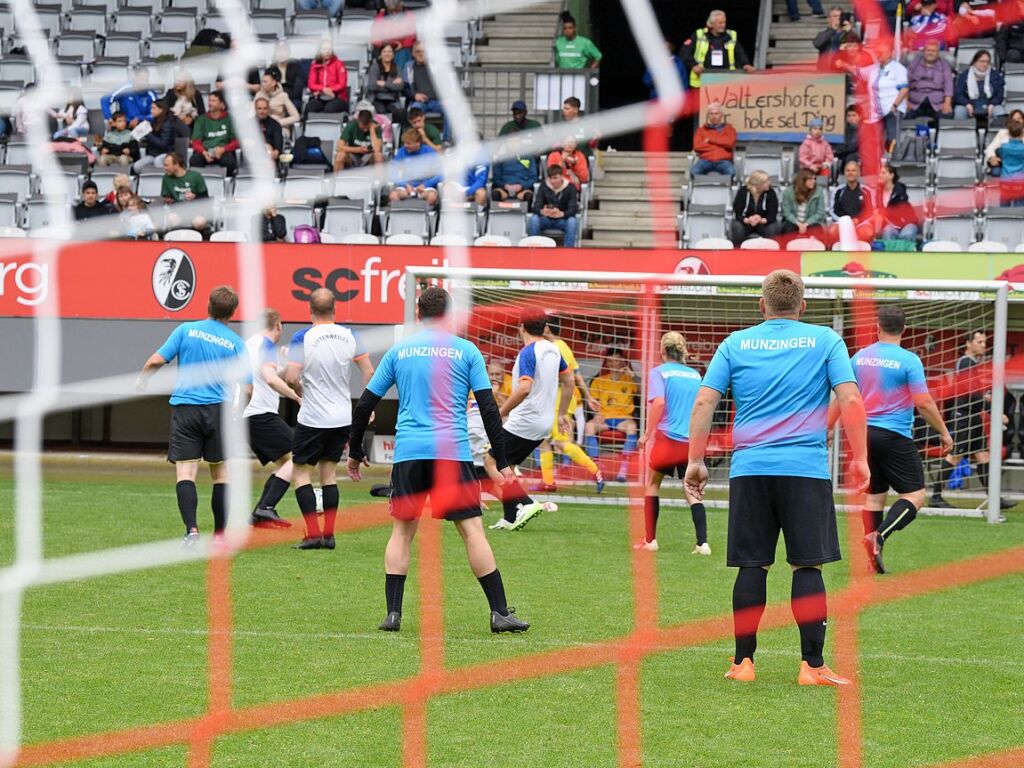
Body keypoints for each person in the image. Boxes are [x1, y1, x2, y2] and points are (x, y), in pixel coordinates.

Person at [684, 269, 867, 686]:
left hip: (750, 470)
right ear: (803, 307)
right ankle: (813, 667)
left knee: (752, 565)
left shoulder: (735, 343)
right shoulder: (826, 340)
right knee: (808, 567)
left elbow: (703, 402)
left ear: (761, 305)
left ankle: (743, 663)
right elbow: (851, 398)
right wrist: (860, 458)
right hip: (805, 469)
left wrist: (696, 460)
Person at [346, 286, 529, 634]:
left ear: (419, 314)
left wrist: (355, 452)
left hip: (410, 454)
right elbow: (489, 409)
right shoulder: (466, 351)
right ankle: (499, 613)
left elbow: (366, 403)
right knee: (472, 531)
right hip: (452, 454)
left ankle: (394, 615)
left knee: (402, 532)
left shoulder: (400, 351)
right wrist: (503, 459)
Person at [828, 306, 952, 574]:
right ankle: (879, 536)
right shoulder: (909, 360)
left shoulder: (860, 357)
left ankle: (871, 557)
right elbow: (924, 403)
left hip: (863, 436)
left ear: (877, 326)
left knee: (874, 496)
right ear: (904, 329)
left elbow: (842, 395)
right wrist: (944, 431)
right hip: (894, 435)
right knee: (915, 495)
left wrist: (827, 428)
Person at [136, 286, 251, 547]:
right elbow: (247, 388)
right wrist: (237, 412)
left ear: (208, 306)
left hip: (186, 408)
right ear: (232, 313)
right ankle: (220, 537)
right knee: (221, 474)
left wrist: (143, 380)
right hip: (218, 411)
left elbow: (156, 360)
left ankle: (192, 531)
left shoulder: (186, 330)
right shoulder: (236, 344)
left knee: (186, 472)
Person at [284, 289, 374, 550]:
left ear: (309, 310)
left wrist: (299, 388)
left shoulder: (303, 337)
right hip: (341, 417)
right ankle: (330, 535)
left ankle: (313, 534)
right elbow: (369, 371)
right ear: (335, 310)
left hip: (312, 417)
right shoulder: (350, 336)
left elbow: (290, 377)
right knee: (329, 474)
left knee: (301, 474)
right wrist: (367, 405)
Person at [484, 310, 572, 531]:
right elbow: (569, 381)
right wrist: (562, 413)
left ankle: (526, 502)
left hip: (525, 421)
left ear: (521, 326)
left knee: (490, 461)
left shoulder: (528, 352)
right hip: (544, 422)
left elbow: (524, 387)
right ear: (544, 328)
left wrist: (500, 412)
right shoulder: (554, 349)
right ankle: (510, 516)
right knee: (508, 466)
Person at [635, 332, 709, 554]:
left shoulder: (659, 373)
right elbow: (702, 407)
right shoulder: (696, 375)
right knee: (691, 490)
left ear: (662, 351)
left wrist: (647, 434)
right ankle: (702, 543)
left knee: (652, 484)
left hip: (667, 438)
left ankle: (651, 540)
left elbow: (658, 403)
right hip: (691, 441)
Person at [935, 331, 1017, 511]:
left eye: (984, 342)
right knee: (955, 456)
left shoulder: (972, 364)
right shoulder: (965, 363)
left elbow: (975, 394)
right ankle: (935, 497)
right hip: (964, 417)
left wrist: (986, 402)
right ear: (968, 343)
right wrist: (993, 411)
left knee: (983, 456)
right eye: (979, 342)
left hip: (974, 417)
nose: (983, 345)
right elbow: (971, 395)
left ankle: (994, 498)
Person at [534, 316, 604, 494]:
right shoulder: (558, 346)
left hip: (561, 399)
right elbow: (577, 372)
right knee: (543, 440)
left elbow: (569, 378)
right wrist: (588, 396)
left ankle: (595, 471)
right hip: (553, 399)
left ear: (548, 328)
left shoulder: (558, 348)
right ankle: (548, 481)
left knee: (560, 442)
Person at [243, 308, 299, 528]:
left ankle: (259, 514)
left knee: (286, 461)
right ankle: (265, 508)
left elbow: (273, 375)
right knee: (299, 455)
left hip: (250, 415)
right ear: (278, 326)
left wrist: (287, 364)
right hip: (260, 414)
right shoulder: (266, 345)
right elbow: (271, 380)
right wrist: (296, 397)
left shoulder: (249, 344)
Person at [585, 349, 639, 483]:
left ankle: (623, 469)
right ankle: (596, 468)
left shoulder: (630, 379)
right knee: (589, 427)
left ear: (622, 361)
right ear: (607, 362)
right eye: (610, 360)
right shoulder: (598, 380)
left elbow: (645, 393)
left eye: (616, 360)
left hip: (624, 419)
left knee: (632, 428)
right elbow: (592, 403)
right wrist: (596, 414)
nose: (613, 363)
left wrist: (634, 377)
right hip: (604, 418)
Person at [681, 10, 754, 90]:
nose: (723, 25)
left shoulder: (731, 35)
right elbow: (684, 52)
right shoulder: (699, 35)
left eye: (724, 22)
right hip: (703, 79)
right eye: (720, 23)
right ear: (711, 24)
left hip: (726, 79)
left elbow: (740, 53)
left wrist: (746, 64)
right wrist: (693, 65)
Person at [865, 42, 908, 148]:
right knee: (875, 139)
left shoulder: (898, 68)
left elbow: (904, 89)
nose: (878, 54)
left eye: (881, 52)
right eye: (877, 52)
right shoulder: (875, 69)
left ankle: (892, 161)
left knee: (892, 139)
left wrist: (894, 106)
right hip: (877, 110)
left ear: (889, 53)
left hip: (892, 109)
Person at [527, 164, 579, 247]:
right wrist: (542, 211)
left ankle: (568, 251)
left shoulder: (570, 188)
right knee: (534, 219)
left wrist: (562, 213)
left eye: (555, 178)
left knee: (572, 222)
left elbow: (573, 208)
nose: (552, 181)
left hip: (562, 220)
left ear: (562, 176)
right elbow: (536, 206)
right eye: (550, 178)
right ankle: (533, 249)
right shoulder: (544, 186)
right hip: (546, 219)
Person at [190, 91, 239, 175]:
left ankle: (225, 186)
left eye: (213, 101)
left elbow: (236, 142)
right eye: (209, 100)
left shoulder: (230, 119)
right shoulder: (201, 119)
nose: (210, 103)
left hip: (223, 152)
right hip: (205, 151)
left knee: (230, 163)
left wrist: (223, 149)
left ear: (221, 104)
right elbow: (195, 142)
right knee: (194, 161)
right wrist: (204, 152)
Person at [404, 42, 447, 139]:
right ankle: (416, 139)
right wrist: (415, 95)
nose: (420, 54)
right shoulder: (408, 67)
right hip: (419, 102)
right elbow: (405, 88)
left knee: (451, 110)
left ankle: (446, 140)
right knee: (414, 110)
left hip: (437, 101)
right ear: (413, 54)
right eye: (417, 51)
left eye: (423, 51)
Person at [389, 127, 442, 206]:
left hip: (424, 187)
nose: (405, 146)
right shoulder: (401, 151)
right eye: (405, 143)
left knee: (432, 197)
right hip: (407, 186)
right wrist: (405, 185)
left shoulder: (430, 152)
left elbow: (440, 174)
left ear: (418, 143)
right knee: (393, 195)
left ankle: (426, 217)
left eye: (409, 143)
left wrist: (425, 185)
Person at [161, 152, 210, 233]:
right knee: (171, 219)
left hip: (197, 211)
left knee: (199, 222)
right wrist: (168, 200)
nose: (164, 168)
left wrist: (195, 196)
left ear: (176, 165)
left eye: (167, 165)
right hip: (178, 210)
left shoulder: (195, 176)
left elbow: (205, 198)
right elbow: (166, 196)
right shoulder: (166, 178)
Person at [906, 40, 955, 120]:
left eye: (933, 51)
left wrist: (947, 103)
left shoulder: (944, 66)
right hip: (915, 103)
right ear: (923, 51)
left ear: (938, 53)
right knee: (902, 113)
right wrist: (906, 101)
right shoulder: (913, 64)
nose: (930, 53)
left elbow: (948, 85)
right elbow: (905, 83)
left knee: (946, 115)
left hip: (937, 104)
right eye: (928, 50)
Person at [954, 50, 1006, 122]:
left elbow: (1000, 95)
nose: (985, 64)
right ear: (975, 62)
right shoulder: (964, 75)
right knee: (959, 111)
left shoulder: (995, 76)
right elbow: (958, 94)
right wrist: (967, 104)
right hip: (969, 104)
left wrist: (992, 104)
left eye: (987, 62)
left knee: (1000, 111)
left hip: (990, 104)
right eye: (982, 61)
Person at [730, 170, 780, 245]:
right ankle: (737, 251)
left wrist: (761, 220)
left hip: (764, 222)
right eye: (766, 182)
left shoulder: (771, 193)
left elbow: (772, 215)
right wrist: (748, 220)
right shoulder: (742, 192)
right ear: (758, 184)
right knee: (737, 227)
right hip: (746, 222)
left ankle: (770, 252)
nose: (769, 183)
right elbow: (738, 213)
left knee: (772, 228)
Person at [873, 164, 920, 241]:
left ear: (891, 175)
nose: (880, 175)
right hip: (890, 224)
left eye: (883, 173)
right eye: (879, 173)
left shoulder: (900, 191)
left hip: (907, 222)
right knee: (887, 232)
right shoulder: (878, 193)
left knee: (906, 234)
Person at [829, 160, 873, 240]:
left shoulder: (866, 191)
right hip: (842, 222)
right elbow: (832, 211)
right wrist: (846, 221)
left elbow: (870, 212)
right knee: (832, 231)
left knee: (868, 233)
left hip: (861, 223)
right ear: (845, 173)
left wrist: (858, 220)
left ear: (859, 173)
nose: (850, 173)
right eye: (848, 170)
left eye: (853, 170)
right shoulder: (838, 191)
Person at [334, 101, 385, 170]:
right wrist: (357, 150)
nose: (365, 130)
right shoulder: (351, 125)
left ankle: (379, 180)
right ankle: (335, 180)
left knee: (379, 156)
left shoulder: (376, 126)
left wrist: (372, 130)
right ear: (358, 121)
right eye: (363, 128)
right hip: (353, 155)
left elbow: (377, 149)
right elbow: (339, 147)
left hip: (369, 155)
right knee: (340, 156)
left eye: (367, 128)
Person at [134, 99, 181, 172]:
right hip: (153, 153)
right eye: (151, 108)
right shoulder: (154, 121)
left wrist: (148, 134)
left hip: (166, 153)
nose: (151, 111)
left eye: (154, 108)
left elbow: (163, 144)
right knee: (136, 166)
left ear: (161, 110)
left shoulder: (167, 124)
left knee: (157, 161)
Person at [365, 43, 406, 125]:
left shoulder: (397, 68)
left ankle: (397, 136)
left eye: (390, 52)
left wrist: (384, 83)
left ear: (393, 55)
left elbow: (401, 86)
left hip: (392, 100)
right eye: (384, 52)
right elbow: (372, 86)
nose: (387, 54)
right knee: (381, 112)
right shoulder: (375, 67)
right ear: (380, 54)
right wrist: (392, 85)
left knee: (400, 113)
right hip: (377, 99)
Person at [691, 102, 737, 177]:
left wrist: (710, 140)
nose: (714, 116)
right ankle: (703, 188)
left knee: (731, 172)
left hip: (723, 161)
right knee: (694, 172)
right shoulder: (701, 130)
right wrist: (721, 144)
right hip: (705, 160)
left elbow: (730, 143)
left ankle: (723, 189)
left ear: (721, 115)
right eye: (711, 114)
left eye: (716, 114)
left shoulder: (729, 129)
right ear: (708, 116)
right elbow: (697, 146)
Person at [781, 168, 828, 238]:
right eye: (810, 179)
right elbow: (787, 212)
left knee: (816, 229)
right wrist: (798, 224)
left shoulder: (819, 191)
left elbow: (820, 213)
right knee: (788, 228)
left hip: (811, 222)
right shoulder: (788, 192)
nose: (814, 181)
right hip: (794, 222)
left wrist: (806, 224)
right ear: (802, 180)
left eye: (814, 179)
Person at [306, 40, 349, 115]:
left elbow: (342, 85)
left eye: (329, 49)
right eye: (324, 49)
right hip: (320, 95)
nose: (327, 52)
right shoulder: (315, 64)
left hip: (338, 97)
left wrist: (330, 90)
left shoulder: (339, 64)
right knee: (310, 107)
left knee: (330, 108)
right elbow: (311, 84)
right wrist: (323, 89)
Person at [256, 70, 300, 138]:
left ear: (273, 83)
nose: (262, 84)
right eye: (262, 81)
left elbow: (296, 117)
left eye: (265, 82)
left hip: (280, 127)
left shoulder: (283, 96)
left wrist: (278, 122)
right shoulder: (259, 94)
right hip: (262, 127)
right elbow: (251, 113)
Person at [265, 42, 306, 115]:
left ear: (289, 52)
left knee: (294, 105)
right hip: (275, 98)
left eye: (284, 51)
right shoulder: (270, 69)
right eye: (279, 51)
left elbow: (298, 89)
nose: (281, 54)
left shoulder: (297, 67)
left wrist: (284, 97)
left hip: (292, 99)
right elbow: (266, 89)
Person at [985, 109, 1024, 176]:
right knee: (996, 172)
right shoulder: (1002, 132)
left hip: (1021, 162)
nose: (1016, 121)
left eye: (1019, 118)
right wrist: (992, 157)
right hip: (1004, 162)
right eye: (1014, 119)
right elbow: (990, 148)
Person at [997, 119, 1024, 206]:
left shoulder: (1003, 147)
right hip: (1020, 182)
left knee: (1004, 207)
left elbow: (999, 153)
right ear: (1022, 133)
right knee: (1019, 208)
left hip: (1005, 181)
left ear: (1008, 133)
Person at [255, 96, 284, 162]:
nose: (262, 111)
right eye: (259, 109)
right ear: (255, 109)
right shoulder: (250, 124)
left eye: (265, 108)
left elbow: (278, 141)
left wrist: (276, 151)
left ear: (268, 109)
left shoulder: (275, 124)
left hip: (271, 154)